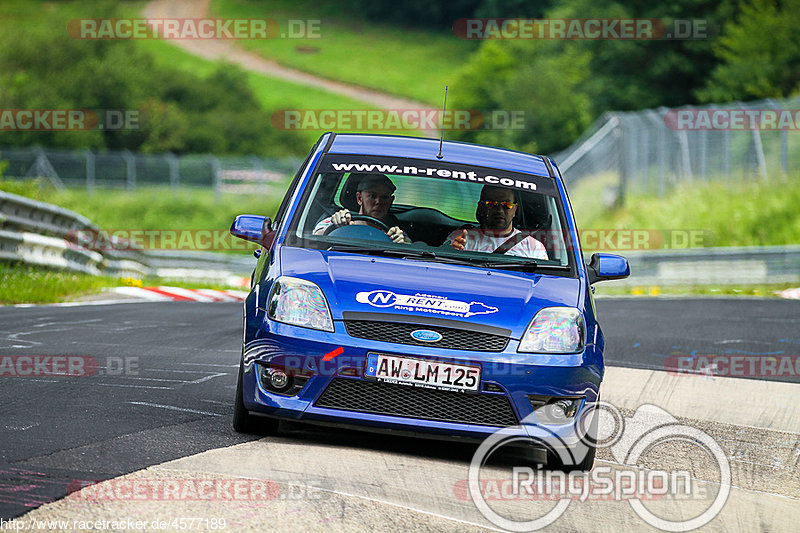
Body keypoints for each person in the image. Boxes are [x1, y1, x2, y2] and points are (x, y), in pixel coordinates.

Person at [444, 185, 548, 259]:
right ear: (481, 207)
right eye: (492, 204)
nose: (499, 210)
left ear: (515, 209)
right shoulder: (460, 239)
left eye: (507, 205)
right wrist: (452, 252)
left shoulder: (534, 247)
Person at [313, 174, 409, 243]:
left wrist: (401, 245)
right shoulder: (337, 219)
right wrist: (336, 225)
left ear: (391, 201)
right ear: (359, 198)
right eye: (372, 196)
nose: (378, 202)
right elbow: (312, 239)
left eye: (385, 197)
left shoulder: (395, 234)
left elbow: (411, 254)